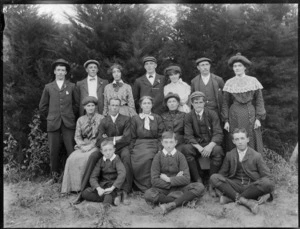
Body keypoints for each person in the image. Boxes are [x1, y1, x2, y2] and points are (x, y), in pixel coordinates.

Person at [73, 98, 132, 205]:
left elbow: (127, 138)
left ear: (120, 107)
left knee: (126, 156)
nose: (114, 107)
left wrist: (108, 138)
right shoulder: (104, 121)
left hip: (121, 147)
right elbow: (99, 139)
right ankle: (84, 189)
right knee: (93, 155)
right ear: (109, 106)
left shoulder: (126, 119)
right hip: (106, 149)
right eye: (112, 105)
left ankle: (125, 191)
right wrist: (115, 138)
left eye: (117, 105)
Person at [210, 128, 275, 214]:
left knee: (267, 182)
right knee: (214, 177)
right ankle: (246, 202)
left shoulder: (256, 156)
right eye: (237, 139)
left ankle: (231, 198)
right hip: (235, 185)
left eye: (242, 138)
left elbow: (268, 177)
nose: (240, 142)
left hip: (251, 186)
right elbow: (222, 174)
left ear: (247, 139)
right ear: (233, 141)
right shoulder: (229, 155)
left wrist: (270, 192)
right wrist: (219, 184)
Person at [144, 131, 205, 215]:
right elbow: (154, 180)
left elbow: (186, 179)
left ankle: (171, 204)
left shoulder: (180, 156)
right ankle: (182, 200)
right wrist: (176, 180)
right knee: (148, 194)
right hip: (163, 189)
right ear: (162, 143)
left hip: (179, 188)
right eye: (166, 142)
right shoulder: (157, 157)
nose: (168, 145)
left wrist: (169, 179)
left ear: (175, 143)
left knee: (199, 186)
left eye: (171, 142)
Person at [39, 58, 79, 184]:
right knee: (53, 150)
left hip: (68, 122)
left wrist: (70, 115)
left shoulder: (72, 86)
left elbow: (77, 104)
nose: (61, 72)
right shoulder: (48, 87)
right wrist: (51, 116)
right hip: (53, 123)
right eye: (58, 70)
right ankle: (54, 177)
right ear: (55, 72)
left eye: (63, 70)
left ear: (66, 72)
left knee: (71, 149)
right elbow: (42, 106)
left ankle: (73, 177)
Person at [222, 53, 266, 153]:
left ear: (245, 67)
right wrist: (226, 120)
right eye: (235, 66)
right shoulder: (229, 82)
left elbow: (259, 100)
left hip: (250, 113)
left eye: (239, 66)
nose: (237, 68)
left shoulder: (253, 80)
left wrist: (258, 118)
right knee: (236, 137)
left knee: (251, 136)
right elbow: (225, 103)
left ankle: (253, 164)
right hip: (234, 114)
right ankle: (236, 165)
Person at [182, 91, 224, 195]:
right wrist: (199, 148)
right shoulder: (188, 116)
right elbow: (188, 135)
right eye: (196, 102)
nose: (198, 105)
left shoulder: (212, 114)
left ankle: (211, 182)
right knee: (186, 149)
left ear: (204, 103)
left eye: (200, 102)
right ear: (192, 103)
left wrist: (210, 146)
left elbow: (218, 133)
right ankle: (198, 179)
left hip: (210, 143)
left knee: (218, 150)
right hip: (197, 145)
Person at [61, 96, 104, 193]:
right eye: (88, 106)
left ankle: (84, 187)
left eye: (93, 105)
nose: (91, 108)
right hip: (83, 146)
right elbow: (77, 136)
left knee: (86, 158)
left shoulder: (101, 118)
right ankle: (72, 187)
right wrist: (81, 146)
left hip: (96, 145)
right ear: (84, 107)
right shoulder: (80, 120)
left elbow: (101, 136)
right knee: (71, 158)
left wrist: (91, 146)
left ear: (95, 107)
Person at [130, 96, 165, 192]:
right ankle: (139, 186)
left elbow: (161, 135)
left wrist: (159, 148)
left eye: (149, 103)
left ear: (152, 105)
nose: (146, 105)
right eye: (144, 103)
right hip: (139, 144)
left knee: (149, 157)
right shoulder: (135, 118)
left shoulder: (157, 118)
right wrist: (131, 149)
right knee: (134, 159)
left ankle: (149, 186)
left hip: (153, 143)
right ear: (141, 105)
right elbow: (132, 136)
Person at [81, 139, 126, 206]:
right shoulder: (100, 161)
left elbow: (122, 174)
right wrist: (98, 189)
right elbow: (93, 177)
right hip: (103, 186)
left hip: (113, 187)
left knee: (108, 195)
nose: (108, 152)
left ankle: (106, 206)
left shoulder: (116, 159)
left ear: (114, 150)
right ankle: (113, 199)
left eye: (110, 150)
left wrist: (112, 188)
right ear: (102, 152)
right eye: (105, 150)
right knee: (85, 193)